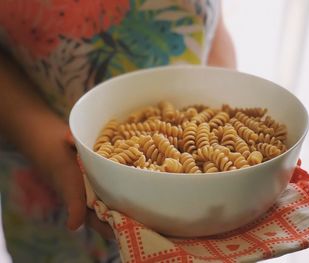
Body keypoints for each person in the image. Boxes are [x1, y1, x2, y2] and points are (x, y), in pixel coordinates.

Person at [0, 0, 236, 262]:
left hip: (204, 194)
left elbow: (213, 24)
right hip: (49, 173)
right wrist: (54, 157)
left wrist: (217, 114)